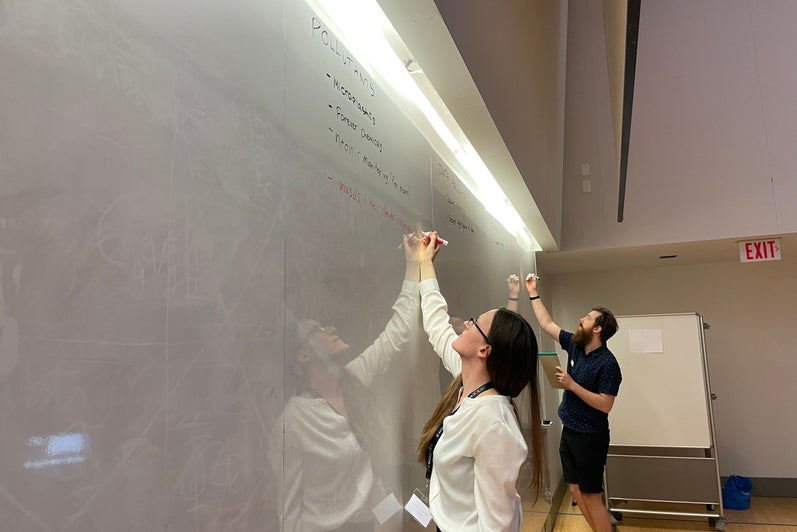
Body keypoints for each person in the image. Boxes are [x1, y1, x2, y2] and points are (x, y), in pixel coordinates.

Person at [268, 235, 422, 532]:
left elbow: (398, 331)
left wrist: (413, 266)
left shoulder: (353, 380)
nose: (331, 328)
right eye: (318, 330)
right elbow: (289, 515)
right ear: (303, 355)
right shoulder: (294, 422)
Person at [413, 231, 543, 532]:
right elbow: (437, 324)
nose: (466, 323)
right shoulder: (467, 381)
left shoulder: (493, 422)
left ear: (484, 350)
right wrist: (425, 264)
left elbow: (497, 526)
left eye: (474, 322)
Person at [525, 273, 622, 532]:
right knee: (575, 489)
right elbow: (546, 323)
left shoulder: (608, 363)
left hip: (590, 437)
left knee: (591, 495)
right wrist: (533, 292)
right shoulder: (576, 346)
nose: (581, 319)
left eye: (587, 318)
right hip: (570, 431)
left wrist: (571, 385)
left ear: (598, 329)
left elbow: (605, 405)